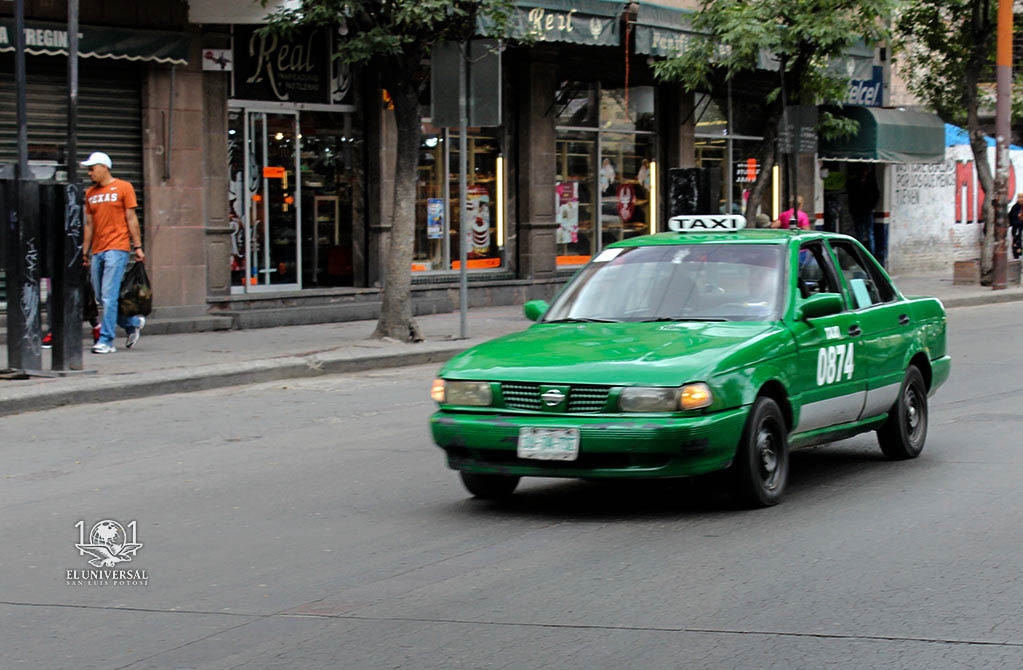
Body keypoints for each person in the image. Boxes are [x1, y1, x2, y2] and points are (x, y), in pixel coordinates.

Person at [81, 151, 146, 354]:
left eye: (92, 168)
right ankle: (132, 322)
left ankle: (106, 341)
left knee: (108, 297)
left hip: (117, 248)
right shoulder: (90, 193)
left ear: (104, 167)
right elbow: (89, 225)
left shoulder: (124, 187)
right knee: (102, 297)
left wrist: (138, 247)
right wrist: (85, 251)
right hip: (98, 250)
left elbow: (131, 218)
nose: (89, 173)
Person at [848, 165, 880, 255]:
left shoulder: (869, 183)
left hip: (865, 211)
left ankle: (869, 255)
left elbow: (876, 195)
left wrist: (871, 207)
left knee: (866, 233)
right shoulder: (856, 182)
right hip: (859, 211)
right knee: (862, 234)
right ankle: (863, 254)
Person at [1009, 193, 1023, 260]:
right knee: (1017, 241)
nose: (1020, 199)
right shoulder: (1015, 207)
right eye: (1019, 197)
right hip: (1017, 228)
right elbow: (1011, 217)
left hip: (1018, 228)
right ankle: (1017, 254)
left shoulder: (1015, 207)